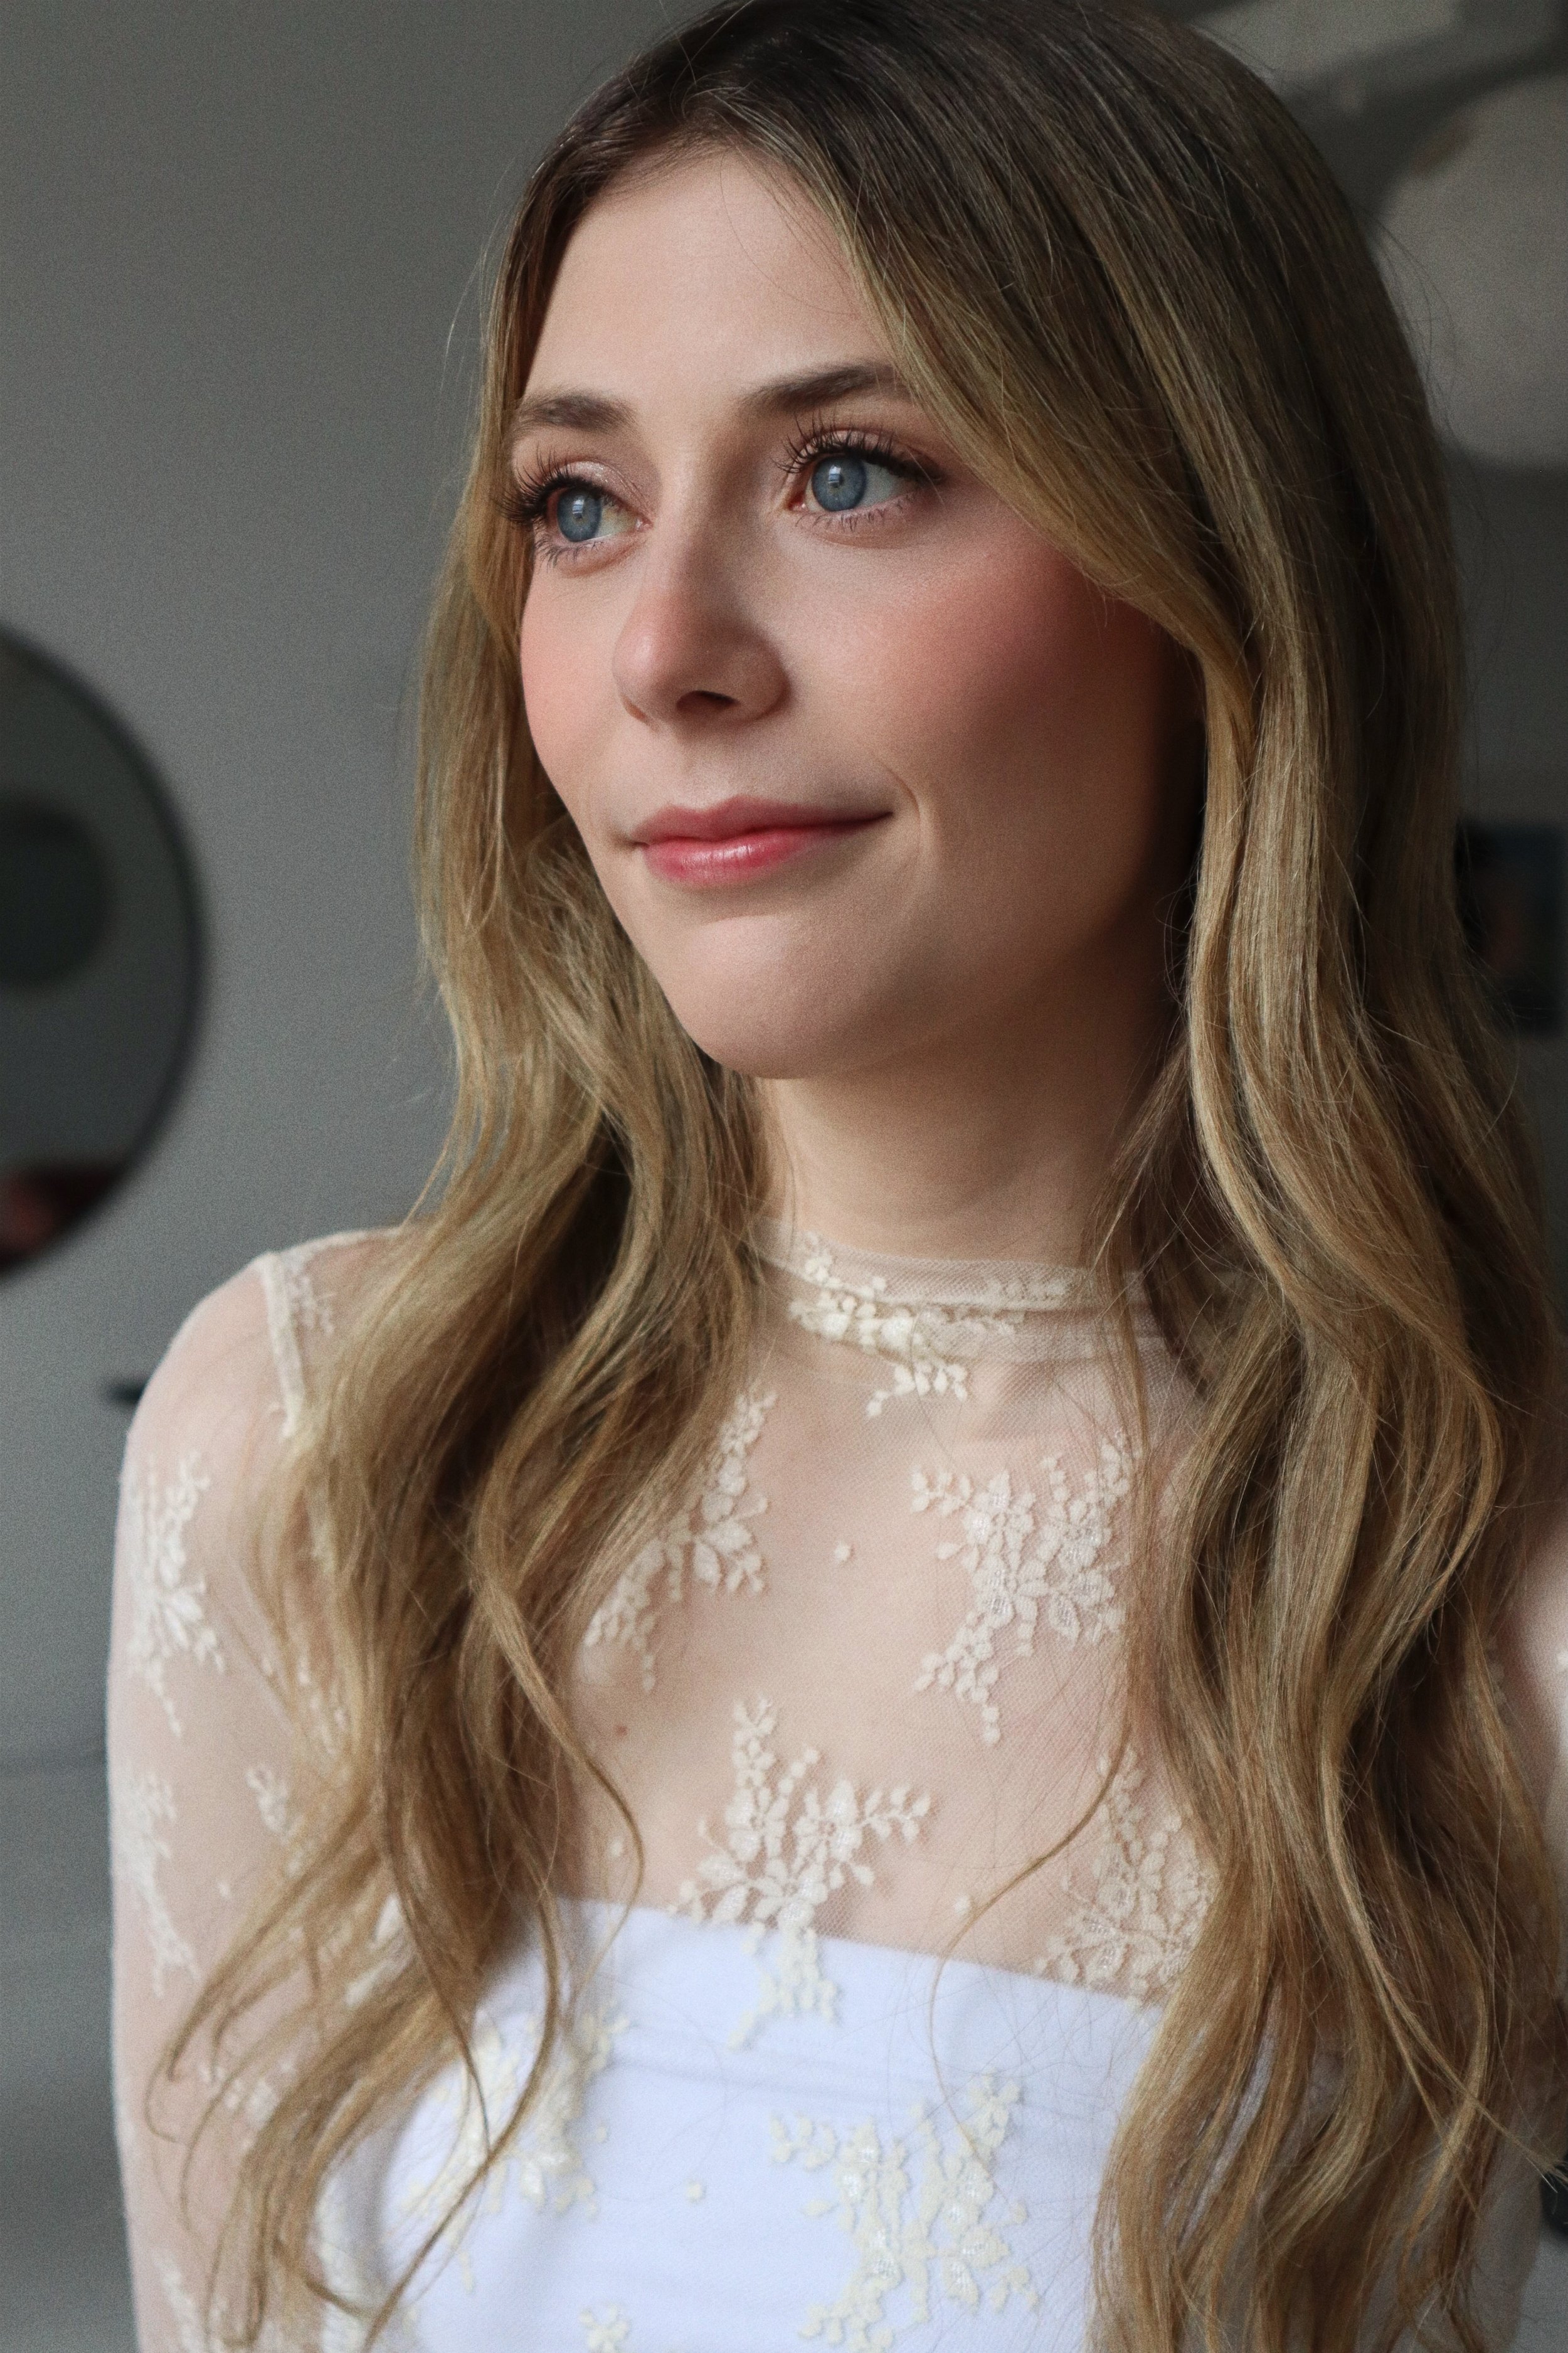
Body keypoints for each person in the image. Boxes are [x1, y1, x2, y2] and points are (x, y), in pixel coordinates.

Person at [106, 2, 1568, 2346]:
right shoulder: (308, 1438)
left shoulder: (1487, 1577)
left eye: (852, 473)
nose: (662, 649)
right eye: (576, 506)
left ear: (1217, 564)